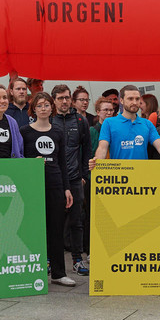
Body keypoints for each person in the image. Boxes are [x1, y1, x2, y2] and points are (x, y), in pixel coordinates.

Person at [21, 92, 76, 287]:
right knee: (34, 229)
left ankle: (59, 273)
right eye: (40, 105)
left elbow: (62, 163)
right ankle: (33, 270)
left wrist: (67, 189)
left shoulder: (57, 132)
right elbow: (19, 160)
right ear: (33, 109)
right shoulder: (25, 132)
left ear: (51, 108)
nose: (43, 108)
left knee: (56, 229)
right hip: (33, 186)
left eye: (46, 105)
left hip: (55, 184)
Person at [51, 84, 92, 277]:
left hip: (75, 179)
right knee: (53, 221)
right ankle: (50, 260)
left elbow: (86, 150)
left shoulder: (81, 121)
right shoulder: (49, 120)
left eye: (67, 97)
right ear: (54, 101)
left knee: (77, 221)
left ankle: (77, 259)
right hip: (55, 179)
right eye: (60, 98)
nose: (65, 101)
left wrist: (84, 175)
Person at [91, 85, 160, 163]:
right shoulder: (109, 123)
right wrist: (98, 162)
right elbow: (102, 148)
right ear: (122, 100)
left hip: (141, 177)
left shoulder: (147, 123)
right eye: (130, 99)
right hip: (119, 178)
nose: (134, 102)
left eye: (137, 99)